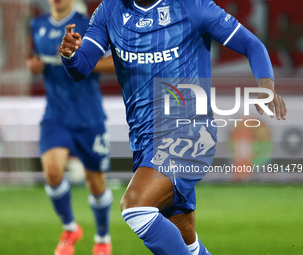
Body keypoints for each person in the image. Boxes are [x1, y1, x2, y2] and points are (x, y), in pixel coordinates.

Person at [59, 0, 287, 254]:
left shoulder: (191, 6)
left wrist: (266, 84)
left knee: (136, 207)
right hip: (145, 140)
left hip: (188, 132)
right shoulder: (109, 10)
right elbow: (82, 67)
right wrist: (69, 55)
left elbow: (251, 44)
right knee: (187, 241)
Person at [26, 0, 115, 255]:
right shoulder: (37, 25)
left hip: (89, 116)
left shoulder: (90, 24)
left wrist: (78, 60)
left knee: (95, 183)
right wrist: (35, 67)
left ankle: (102, 238)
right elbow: (35, 60)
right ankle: (69, 228)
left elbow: (115, 62)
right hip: (56, 115)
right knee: (52, 172)